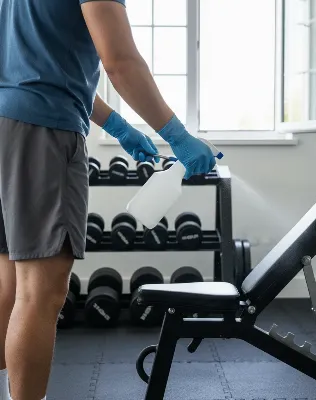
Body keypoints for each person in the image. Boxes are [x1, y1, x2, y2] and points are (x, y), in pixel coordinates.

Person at [0, 1, 216, 399]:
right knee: (38, 294)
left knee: (9, 289)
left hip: (5, 125)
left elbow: (45, 66)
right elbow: (119, 60)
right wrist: (178, 135)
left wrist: (118, 126)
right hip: (43, 129)